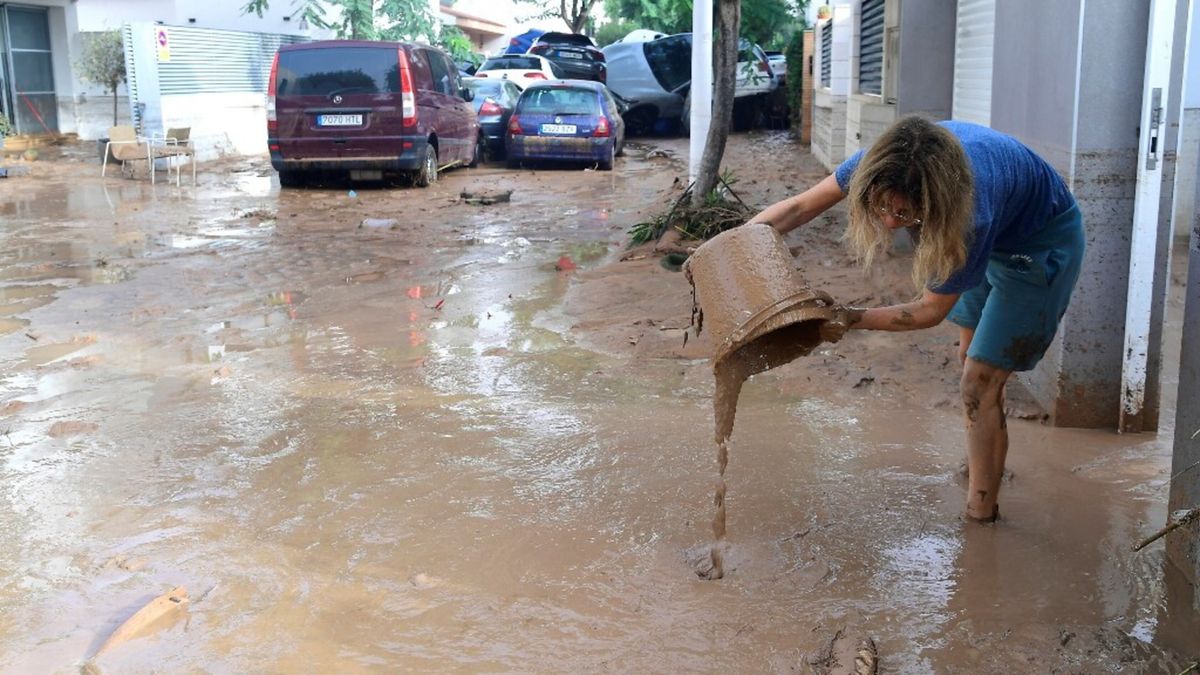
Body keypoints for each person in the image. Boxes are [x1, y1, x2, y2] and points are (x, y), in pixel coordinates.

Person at [747, 115, 1084, 523]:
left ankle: (982, 514)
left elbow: (928, 311)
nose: (890, 222)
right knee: (968, 357)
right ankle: (985, 460)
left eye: (904, 212)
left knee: (980, 380)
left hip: (1039, 243)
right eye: (883, 206)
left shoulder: (969, 216)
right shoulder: (881, 163)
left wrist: (842, 318)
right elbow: (799, 207)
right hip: (997, 222)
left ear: (933, 201)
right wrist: (729, 247)